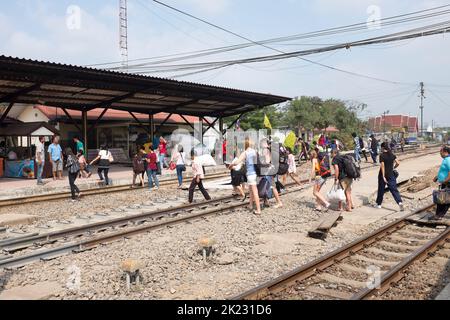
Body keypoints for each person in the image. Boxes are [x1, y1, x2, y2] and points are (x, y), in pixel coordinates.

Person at [229, 138, 262, 215]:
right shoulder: (255, 152)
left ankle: (258, 209)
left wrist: (231, 165)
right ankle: (250, 205)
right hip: (256, 174)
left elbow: (237, 162)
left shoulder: (245, 153)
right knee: (251, 190)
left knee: (255, 192)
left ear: (245, 145)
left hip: (251, 174)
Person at [375, 142, 405, 211]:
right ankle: (399, 202)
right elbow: (398, 163)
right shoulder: (392, 154)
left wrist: (383, 176)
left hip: (383, 175)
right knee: (394, 189)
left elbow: (382, 166)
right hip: (391, 174)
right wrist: (393, 168)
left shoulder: (382, 155)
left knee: (381, 189)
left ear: (382, 148)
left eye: (381, 148)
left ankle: (379, 204)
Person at [259, 138, 283, 209]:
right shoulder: (269, 149)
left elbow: (267, 161)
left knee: (272, 186)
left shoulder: (265, 150)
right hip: (272, 170)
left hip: (268, 171)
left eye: (261, 144)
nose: (260, 145)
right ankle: (266, 201)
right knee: (265, 185)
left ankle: (279, 202)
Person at [431, 145, 450, 220]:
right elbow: (444, 171)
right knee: (443, 199)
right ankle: (438, 215)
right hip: (445, 182)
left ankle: (439, 215)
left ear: (445, 152)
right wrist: (437, 177)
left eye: (440, 151)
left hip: (447, 183)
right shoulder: (446, 159)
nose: (440, 153)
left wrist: (446, 180)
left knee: (444, 199)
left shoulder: (448, 159)